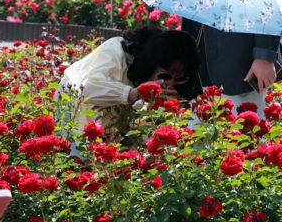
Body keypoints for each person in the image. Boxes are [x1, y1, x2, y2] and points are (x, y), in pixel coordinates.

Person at [58, 25, 200, 139]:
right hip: (71, 113)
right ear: (151, 64)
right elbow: (87, 89)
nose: (171, 85)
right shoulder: (115, 50)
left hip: (107, 133)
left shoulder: (164, 85)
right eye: (166, 76)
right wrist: (133, 94)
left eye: (180, 79)